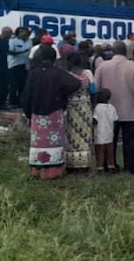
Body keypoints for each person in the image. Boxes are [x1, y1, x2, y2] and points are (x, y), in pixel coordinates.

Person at [21, 46, 80, 179]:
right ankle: (52, 171)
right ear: (54, 58)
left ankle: (36, 169)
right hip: (54, 113)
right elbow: (75, 83)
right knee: (53, 142)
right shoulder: (58, 73)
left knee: (38, 142)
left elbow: (27, 94)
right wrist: (61, 92)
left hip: (37, 114)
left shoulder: (33, 73)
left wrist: (28, 112)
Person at [95, 41, 134, 174]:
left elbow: (96, 89)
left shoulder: (102, 66)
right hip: (129, 109)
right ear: (126, 52)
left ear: (113, 51)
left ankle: (108, 165)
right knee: (130, 140)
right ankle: (130, 167)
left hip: (107, 110)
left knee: (109, 139)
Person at [65, 53, 97, 173]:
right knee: (85, 135)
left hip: (71, 108)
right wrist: (93, 107)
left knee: (71, 135)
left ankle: (71, 164)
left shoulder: (67, 75)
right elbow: (93, 91)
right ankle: (84, 164)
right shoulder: (88, 73)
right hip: (85, 107)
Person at [93, 89, 118, 173]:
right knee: (110, 152)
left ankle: (100, 168)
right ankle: (111, 166)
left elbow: (95, 120)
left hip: (100, 133)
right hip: (110, 133)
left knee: (100, 152)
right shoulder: (112, 107)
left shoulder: (97, 108)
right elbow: (115, 119)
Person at [8, 27, 32, 108]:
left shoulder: (30, 41)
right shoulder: (13, 41)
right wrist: (23, 51)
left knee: (23, 85)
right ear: (19, 33)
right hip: (15, 65)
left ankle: (21, 102)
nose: (25, 34)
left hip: (25, 65)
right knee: (14, 85)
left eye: (27, 33)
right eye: (23, 32)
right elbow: (11, 52)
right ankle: (12, 102)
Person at [0, 27, 11, 109]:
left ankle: (2, 103)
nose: (10, 35)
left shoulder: (8, 41)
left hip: (5, 66)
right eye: (9, 33)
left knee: (5, 85)